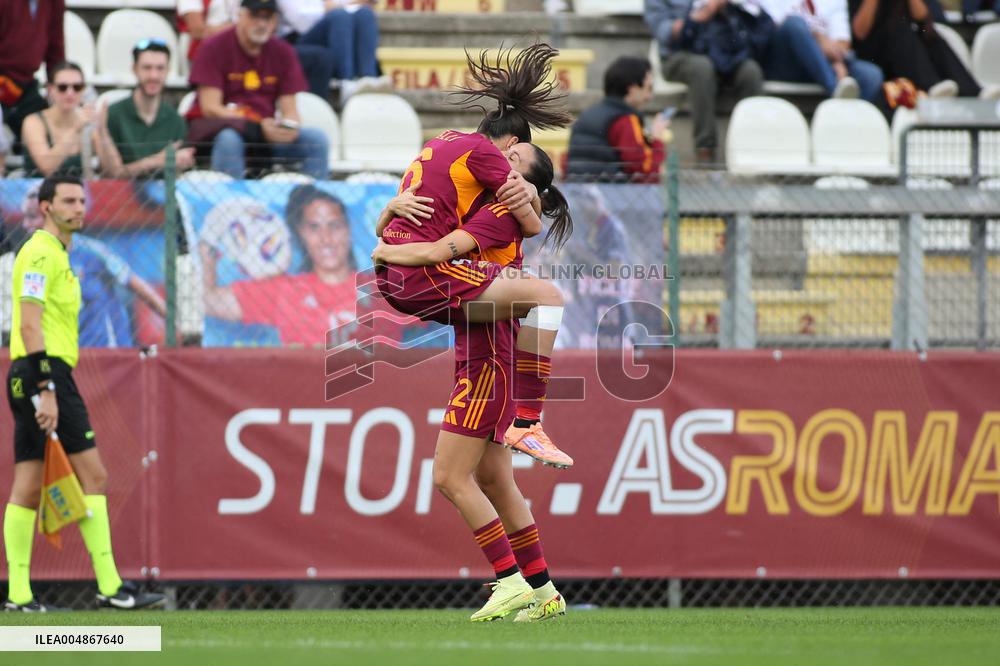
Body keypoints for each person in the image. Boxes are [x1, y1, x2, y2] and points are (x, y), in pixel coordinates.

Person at [370, 43, 576, 623]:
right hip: (479, 333)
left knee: (449, 476)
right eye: (511, 167)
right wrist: (390, 215)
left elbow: (443, 246)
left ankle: (508, 575)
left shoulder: (499, 203)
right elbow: (458, 223)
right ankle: (543, 590)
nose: (507, 173)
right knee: (492, 477)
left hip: (489, 355)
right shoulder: (489, 196)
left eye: (518, 171)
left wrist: (384, 243)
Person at [3, 176, 167, 612]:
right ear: (45, 206)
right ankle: (109, 588)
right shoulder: (40, 252)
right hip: (44, 372)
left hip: (37, 373)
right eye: (68, 201)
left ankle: (21, 596)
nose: (79, 207)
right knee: (91, 476)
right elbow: (29, 325)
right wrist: (46, 388)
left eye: (81, 200)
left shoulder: (59, 252)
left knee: (29, 488)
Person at [201, 184, 403, 345]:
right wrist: (207, 244)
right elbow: (209, 300)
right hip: (307, 394)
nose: (326, 239)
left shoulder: (384, 290)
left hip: (376, 394)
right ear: (301, 234)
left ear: (349, 230)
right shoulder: (284, 291)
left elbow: (435, 299)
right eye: (314, 228)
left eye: (334, 225)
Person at [187, 0, 330, 178]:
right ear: (240, 15)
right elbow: (211, 109)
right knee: (229, 139)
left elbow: (291, 111)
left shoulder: (283, 52)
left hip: (265, 133)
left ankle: (313, 202)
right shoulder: (213, 46)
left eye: (268, 17)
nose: (262, 23)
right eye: (255, 16)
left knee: (317, 140)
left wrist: (288, 129)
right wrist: (256, 124)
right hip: (224, 130)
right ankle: (228, 202)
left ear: (276, 21)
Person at [12, 184, 167, 348]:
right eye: (25, 217)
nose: (25, 225)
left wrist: (169, 320)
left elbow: (133, 282)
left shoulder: (92, 252)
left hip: (107, 353)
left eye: (32, 217)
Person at [644, 0, 766, 164]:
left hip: (722, 52)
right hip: (678, 55)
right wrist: (702, 14)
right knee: (702, 68)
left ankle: (754, 148)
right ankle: (705, 150)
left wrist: (726, 9)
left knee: (751, 71)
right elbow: (662, 32)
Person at [849, 0, 999, 99]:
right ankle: (931, 86)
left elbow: (922, 18)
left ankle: (973, 93)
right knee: (901, 32)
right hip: (872, 53)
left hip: (902, 53)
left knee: (930, 37)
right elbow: (860, 32)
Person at [95, 39, 195, 178]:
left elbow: (180, 173)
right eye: (147, 68)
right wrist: (158, 161)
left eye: (160, 68)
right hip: (120, 195)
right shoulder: (113, 115)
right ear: (134, 69)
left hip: (164, 196)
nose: (153, 76)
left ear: (168, 71)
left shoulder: (176, 121)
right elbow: (111, 174)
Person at [760, 0, 884, 102]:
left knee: (871, 75)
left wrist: (835, 61)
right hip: (785, 62)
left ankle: (846, 124)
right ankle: (836, 93)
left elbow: (842, 42)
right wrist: (819, 39)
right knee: (794, 24)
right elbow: (770, 26)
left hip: (826, 64)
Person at [566, 56, 667, 181]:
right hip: (612, 195)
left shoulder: (587, 114)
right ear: (633, 88)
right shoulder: (626, 120)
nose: (650, 96)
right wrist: (656, 140)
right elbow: (644, 174)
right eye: (648, 88)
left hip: (579, 192)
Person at [277, 0, 390, 100]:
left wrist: (338, 5)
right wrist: (337, 6)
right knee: (339, 16)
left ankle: (368, 78)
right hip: (298, 40)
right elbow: (301, 21)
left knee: (365, 13)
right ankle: (346, 82)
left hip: (338, 35)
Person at [0, 0, 65, 150]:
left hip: (27, 84)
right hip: (2, 79)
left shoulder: (55, 3)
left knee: (44, 127)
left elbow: (56, 46)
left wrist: (56, 82)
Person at [20, 62, 94, 178]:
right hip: (39, 192)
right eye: (62, 87)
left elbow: (111, 171)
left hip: (78, 194)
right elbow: (47, 168)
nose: (70, 93)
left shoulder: (87, 120)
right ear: (50, 89)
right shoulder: (33, 121)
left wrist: (103, 129)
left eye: (77, 87)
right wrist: (75, 129)